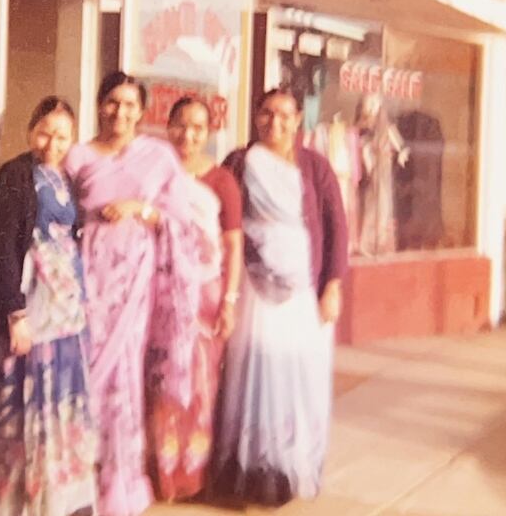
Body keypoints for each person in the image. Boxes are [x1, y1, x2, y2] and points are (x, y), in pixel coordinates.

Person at [64, 72, 202, 516]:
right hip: (85, 284)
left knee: (122, 383)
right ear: (98, 104)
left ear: (142, 112)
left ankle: (117, 491)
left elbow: (183, 223)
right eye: (111, 102)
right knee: (82, 379)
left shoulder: (158, 158)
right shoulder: (77, 156)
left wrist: (140, 210)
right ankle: (76, 488)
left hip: (133, 289)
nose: (118, 112)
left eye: (128, 105)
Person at [210, 87, 348, 506]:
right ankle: (249, 467)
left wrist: (333, 286)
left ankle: (287, 466)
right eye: (267, 113)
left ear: (297, 120)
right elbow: (216, 213)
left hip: (302, 289)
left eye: (285, 115)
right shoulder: (239, 161)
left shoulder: (315, 167)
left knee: (295, 376)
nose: (276, 122)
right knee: (252, 372)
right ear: (256, 117)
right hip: (253, 286)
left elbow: (337, 226)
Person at [0, 97, 97, 516]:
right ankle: (22, 503)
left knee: (60, 404)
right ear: (29, 130)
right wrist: (14, 314)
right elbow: (0, 249)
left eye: (62, 136)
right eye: (44, 132)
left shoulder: (66, 178)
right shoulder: (14, 176)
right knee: (26, 407)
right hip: (32, 310)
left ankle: (59, 501)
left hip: (66, 315)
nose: (51, 144)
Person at [146, 97, 244, 501]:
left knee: (202, 388)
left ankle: (193, 478)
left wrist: (230, 301)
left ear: (209, 132)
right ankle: (161, 476)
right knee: (162, 385)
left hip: (206, 294)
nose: (188, 135)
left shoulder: (221, 180)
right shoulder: (155, 175)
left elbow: (233, 244)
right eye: (181, 125)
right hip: (163, 294)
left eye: (198, 128)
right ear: (168, 126)